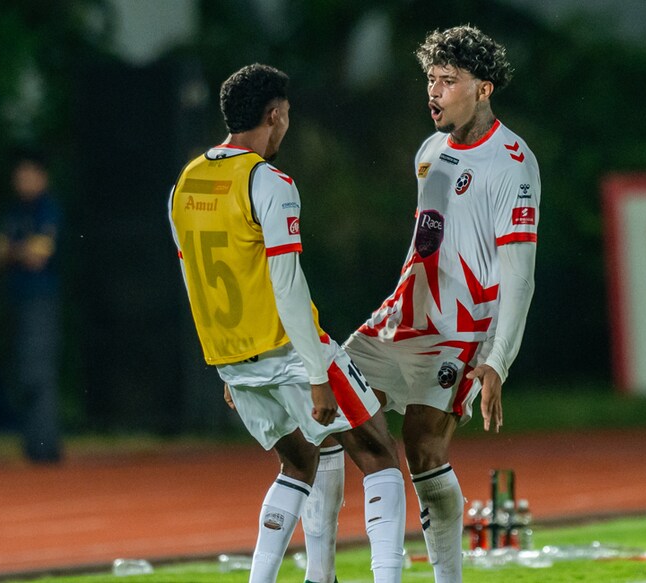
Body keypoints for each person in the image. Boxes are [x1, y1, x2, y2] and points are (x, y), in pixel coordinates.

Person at [167, 63, 406, 583]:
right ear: (274, 115)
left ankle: (301, 578)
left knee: (299, 463)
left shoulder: (186, 182)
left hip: (234, 356)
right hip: (290, 352)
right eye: (287, 117)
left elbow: (195, 282)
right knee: (380, 453)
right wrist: (318, 372)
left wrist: (228, 362)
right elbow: (288, 285)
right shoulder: (268, 181)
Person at [340, 26, 540, 581]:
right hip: (402, 317)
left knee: (423, 448)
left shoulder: (513, 163)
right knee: (333, 411)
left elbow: (518, 276)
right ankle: (330, 569)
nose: (434, 92)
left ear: (484, 89)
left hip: (459, 330)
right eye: (431, 79)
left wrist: (497, 359)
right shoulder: (429, 151)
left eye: (449, 81)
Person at [0, 151, 64, 463]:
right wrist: (21, 252)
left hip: (41, 300)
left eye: (29, 174)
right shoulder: (13, 210)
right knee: (22, 372)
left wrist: (13, 251)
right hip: (17, 299)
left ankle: (46, 447)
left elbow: (39, 255)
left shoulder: (49, 209)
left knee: (38, 372)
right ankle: (33, 445)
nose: (23, 181)